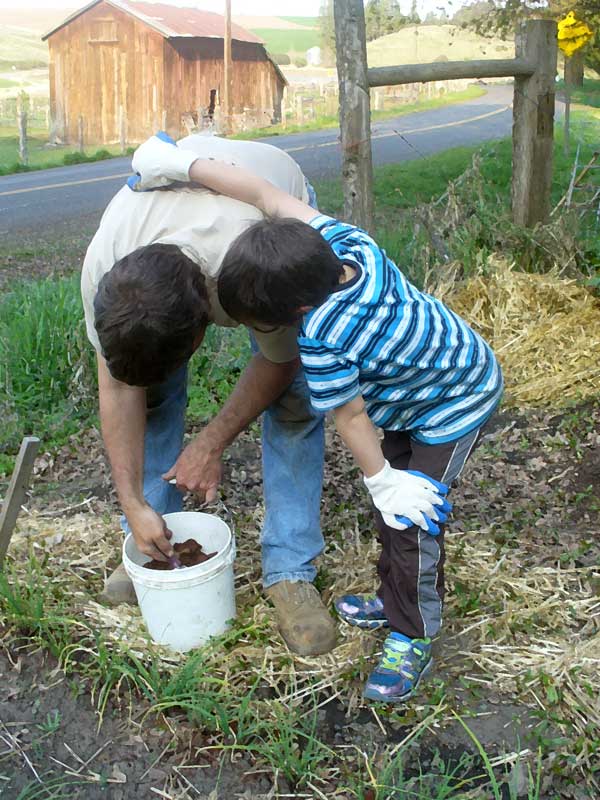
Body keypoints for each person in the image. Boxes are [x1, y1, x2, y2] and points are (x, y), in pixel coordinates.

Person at [129, 134, 503, 703]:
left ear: (296, 313)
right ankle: (399, 596)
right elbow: (264, 193)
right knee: (396, 508)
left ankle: (413, 634)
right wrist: (177, 163)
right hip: (426, 381)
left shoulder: (325, 336)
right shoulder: (343, 245)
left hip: (455, 401)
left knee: (411, 518)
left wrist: (383, 485)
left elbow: (350, 417)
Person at [81, 134, 345, 656]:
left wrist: (211, 442)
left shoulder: (254, 261)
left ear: (204, 330)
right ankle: (151, 536)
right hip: (173, 215)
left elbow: (280, 358)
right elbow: (117, 384)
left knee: (294, 402)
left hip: (264, 209)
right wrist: (130, 501)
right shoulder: (105, 269)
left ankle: (290, 571)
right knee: (148, 392)